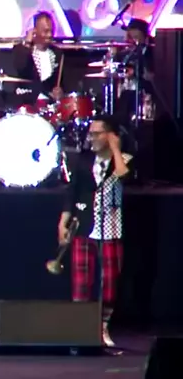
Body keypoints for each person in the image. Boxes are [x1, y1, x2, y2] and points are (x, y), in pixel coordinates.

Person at [57, 115, 133, 348]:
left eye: (97, 133)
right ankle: (81, 328)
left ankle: (103, 327)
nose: (92, 138)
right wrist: (63, 221)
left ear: (110, 135)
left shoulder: (124, 158)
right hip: (85, 224)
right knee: (82, 280)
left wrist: (115, 148)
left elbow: (123, 175)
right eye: (90, 134)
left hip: (111, 227)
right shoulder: (83, 160)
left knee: (109, 281)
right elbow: (73, 191)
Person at [13, 11, 68, 109]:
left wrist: (60, 93)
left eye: (52, 31)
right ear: (35, 31)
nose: (49, 35)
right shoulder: (22, 50)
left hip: (49, 107)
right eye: (45, 31)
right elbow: (20, 67)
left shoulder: (58, 53)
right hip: (26, 105)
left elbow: (62, 84)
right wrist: (28, 42)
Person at [114, 18, 155, 127]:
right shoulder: (127, 53)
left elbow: (151, 74)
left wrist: (140, 73)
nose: (133, 41)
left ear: (145, 36)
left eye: (136, 37)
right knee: (124, 97)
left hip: (147, 91)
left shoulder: (154, 51)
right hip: (131, 90)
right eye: (131, 37)